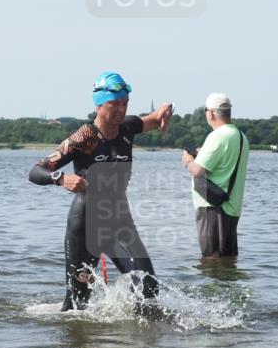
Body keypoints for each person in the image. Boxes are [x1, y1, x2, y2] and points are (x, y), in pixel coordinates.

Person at [28, 71, 172, 312]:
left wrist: (167, 109)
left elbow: (156, 118)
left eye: (125, 103)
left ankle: (137, 333)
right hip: (86, 223)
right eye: (114, 104)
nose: (121, 109)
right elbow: (35, 171)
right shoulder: (84, 137)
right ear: (99, 104)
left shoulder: (128, 127)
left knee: (148, 286)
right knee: (77, 304)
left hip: (120, 219)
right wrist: (61, 178)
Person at [181, 93, 250, 259]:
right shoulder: (241, 136)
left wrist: (188, 160)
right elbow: (224, 163)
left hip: (213, 208)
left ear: (210, 113)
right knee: (227, 260)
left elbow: (198, 171)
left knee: (211, 260)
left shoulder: (218, 136)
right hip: (232, 208)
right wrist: (201, 154)